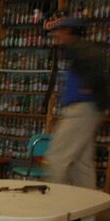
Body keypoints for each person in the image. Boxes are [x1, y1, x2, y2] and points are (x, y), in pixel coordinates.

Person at [45, 15, 109, 188]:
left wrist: (89, 86)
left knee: (57, 156)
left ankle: (57, 207)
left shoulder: (79, 48)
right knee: (82, 164)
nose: (56, 35)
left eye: (59, 31)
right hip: (89, 110)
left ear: (68, 31)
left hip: (80, 110)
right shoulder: (80, 50)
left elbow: (98, 64)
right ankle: (88, 209)